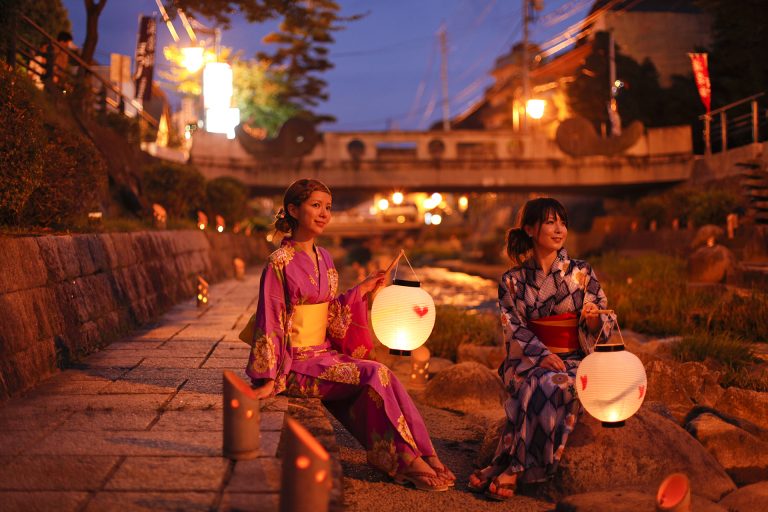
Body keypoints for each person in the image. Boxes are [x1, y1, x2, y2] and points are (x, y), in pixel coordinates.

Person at [245, 178, 455, 492]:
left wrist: (362, 290)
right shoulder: (279, 262)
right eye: (315, 206)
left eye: (327, 207)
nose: (324, 214)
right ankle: (404, 460)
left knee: (386, 377)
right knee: (376, 374)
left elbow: (330, 313)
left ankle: (422, 452)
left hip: (322, 355)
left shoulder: (325, 258)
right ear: (292, 209)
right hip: (295, 365)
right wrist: (266, 379)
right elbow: (271, 319)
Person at [468, 197, 612, 500]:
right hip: (529, 360)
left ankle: (512, 465)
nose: (559, 229)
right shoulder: (512, 280)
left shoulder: (581, 273)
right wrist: (542, 356)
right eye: (550, 222)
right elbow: (513, 326)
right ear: (531, 229)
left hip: (575, 358)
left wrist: (594, 321)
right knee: (538, 380)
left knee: (551, 384)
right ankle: (514, 464)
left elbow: (602, 318)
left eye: (563, 223)